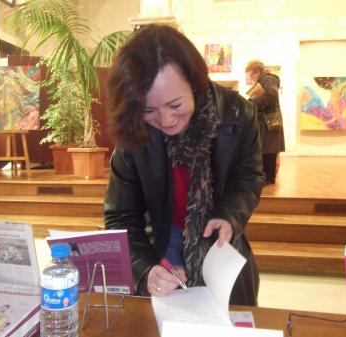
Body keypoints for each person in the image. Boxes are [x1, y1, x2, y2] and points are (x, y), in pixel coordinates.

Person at [104, 24, 265, 306]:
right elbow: (121, 218)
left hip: (221, 256)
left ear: (194, 82)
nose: (165, 120)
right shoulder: (133, 131)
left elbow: (248, 177)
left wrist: (229, 214)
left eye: (175, 104)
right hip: (160, 250)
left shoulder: (238, 114)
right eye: (149, 110)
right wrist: (144, 270)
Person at [245, 60, 285, 184]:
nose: (251, 78)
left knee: (268, 149)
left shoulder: (267, 79)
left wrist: (254, 104)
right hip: (269, 120)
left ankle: (267, 178)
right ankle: (268, 177)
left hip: (268, 121)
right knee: (268, 149)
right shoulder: (267, 79)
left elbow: (271, 94)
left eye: (251, 75)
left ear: (256, 72)